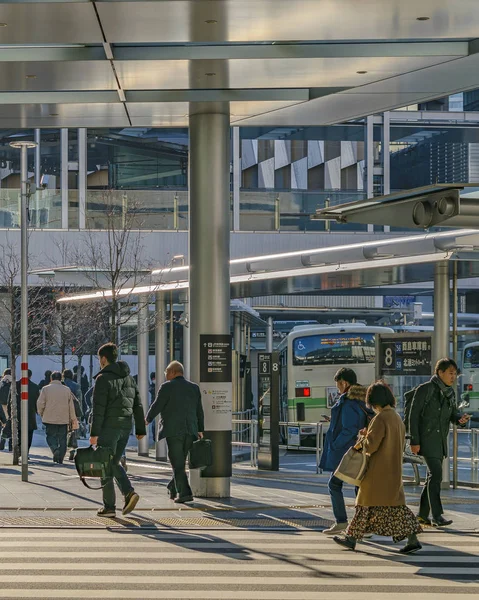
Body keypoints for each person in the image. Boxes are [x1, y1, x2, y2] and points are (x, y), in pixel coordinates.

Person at [333, 381, 423, 554]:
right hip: (393, 470)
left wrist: (363, 437)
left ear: (373, 401)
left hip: (377, 471)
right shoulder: (396, 417)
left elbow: (372, 446)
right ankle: (412, 538)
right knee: (395, 507)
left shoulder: (380, 418)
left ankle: (351, 539)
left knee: (364, 504)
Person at [409, 358, 470, 527]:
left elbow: (453, 414)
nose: (453, 377)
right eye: (450, 373)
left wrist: (460, 419)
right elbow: (413, 417)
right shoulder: (425, 389)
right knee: (436, 474)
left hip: (440, 441)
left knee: (432, 477)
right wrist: (414, 440)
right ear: (440, 372)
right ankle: (437, 515)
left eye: (455, 374)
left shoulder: (449, 393)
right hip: (426, 440)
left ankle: (422, 515)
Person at [90, 342, 146, 518]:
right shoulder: (129, 378)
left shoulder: (103, 378)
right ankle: (117, 501)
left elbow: (98, 408)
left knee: (106, 464)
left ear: (104, 358)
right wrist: (140, 428)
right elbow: (137, 404)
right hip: (125, 427)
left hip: (109, 427)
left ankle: (119, 499)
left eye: (100, 358)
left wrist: (94, 434)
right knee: (112, 463)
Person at [320, 368, 372, 535]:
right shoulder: (361, 399)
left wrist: (335, 444)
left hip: (347, 451)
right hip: (359, 449)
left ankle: (343, 521)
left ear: (344, 383)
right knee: (359, 486)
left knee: (334, 484)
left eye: (338, 385)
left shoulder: (348, 402)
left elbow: (349, 429)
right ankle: (363, 525)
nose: (338, 389)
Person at [146, 361, 204, 504]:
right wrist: (200, 429)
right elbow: (199, 411)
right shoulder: (194, 388)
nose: (165, 374)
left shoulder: (167, 387)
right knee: (179, 462)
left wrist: (147, 419)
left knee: (177, 463)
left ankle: (185, 493)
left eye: (166, 372)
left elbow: (157, 405)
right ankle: (173, 487)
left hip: (173, 431)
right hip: (191, 430)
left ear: (172, 372)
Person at [37, 371, 78, 464]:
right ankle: (60, 459)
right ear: (61, 379)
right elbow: (71, 406)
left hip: (50, 418)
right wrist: (73, 418)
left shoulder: (45, 389)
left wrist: (42, 413)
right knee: (63, 438)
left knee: (50, 436)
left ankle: (55, 449)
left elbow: (40, 403)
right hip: (63, 419)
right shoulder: (67, 389)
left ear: (51, 379)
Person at [10, 370, 40, 452]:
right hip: (30, 415)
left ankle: (19, 451)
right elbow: (38, 402)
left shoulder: (15, 385)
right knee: (29, 434)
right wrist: (38, 411)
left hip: (17, 415)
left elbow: (10, 400)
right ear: (30, 376)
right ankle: (25, 452)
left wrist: (10, 413)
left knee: (19, 433)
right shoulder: (35, 387)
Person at [62, 369, 83, 460]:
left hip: (62, 410)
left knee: (62, 431)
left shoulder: (61, 385)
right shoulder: (76, 386)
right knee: (73, 431)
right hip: (73, 411)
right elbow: (79, 400)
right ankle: (73, 450)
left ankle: (63, 449)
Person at [0, 368, 12, 451]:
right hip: (11, 407)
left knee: (3, 425)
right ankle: (11, 445)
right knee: (12, 426)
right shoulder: (14, 383)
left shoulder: (1, 383)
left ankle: (2, 443)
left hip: (1, 407)